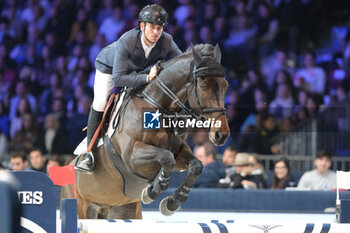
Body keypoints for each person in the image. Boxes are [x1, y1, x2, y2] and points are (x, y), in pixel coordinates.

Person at [76, 4, 182, 173]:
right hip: (110, 69)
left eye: (160, 28)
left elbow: (180, 63)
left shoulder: (167, 40)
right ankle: (90, 153)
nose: (156, 32)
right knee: (101, 102)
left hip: (138, 69)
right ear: (142, 26)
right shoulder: (127, 41)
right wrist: (147, 78)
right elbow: (118, 79)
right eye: (153, 28)